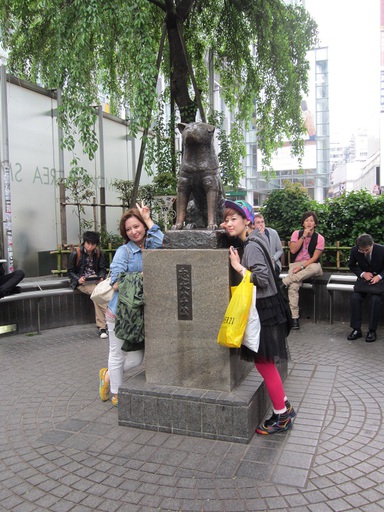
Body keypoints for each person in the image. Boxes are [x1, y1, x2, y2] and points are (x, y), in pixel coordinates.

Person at [223, 199, 295, 435]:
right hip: (271, 306)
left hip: (265, 309)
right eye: (226, 219)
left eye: (234, 219)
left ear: (247, 221)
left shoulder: (252, 246)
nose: (229, 223)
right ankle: (284, 404)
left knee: (264, 363)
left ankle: (281, 416)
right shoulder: (258, 238)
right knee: (266, 362)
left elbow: (262, 278)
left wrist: (238, 267)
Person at [99, 202, 164, 407]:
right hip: (120, 313)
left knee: (137, 359)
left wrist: (148, 218)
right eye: (128, 229)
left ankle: (108, 375)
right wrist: (142, 276)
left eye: (137, 226)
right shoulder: (124, 252)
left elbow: (164, 242)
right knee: (116, 354)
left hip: (141, 314)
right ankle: (116, 392)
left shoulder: (152, 246)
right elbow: (116, 283)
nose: (133, 232)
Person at [282, 211, 324, 330]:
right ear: (303, 223)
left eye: (311, 220)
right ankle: (295, 318)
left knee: (316, 267)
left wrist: (302, 267)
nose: (309, 223)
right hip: (296, 264)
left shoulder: (319, 238)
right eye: (306, 220)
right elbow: (293, 250)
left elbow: (315, 257)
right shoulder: (296, 234)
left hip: (309, 265)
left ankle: (286, 280)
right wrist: (303, 236)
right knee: (294, 286)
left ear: (315, 223)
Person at [67, 231, 108, 338]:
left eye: (93, 244)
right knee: (97, 293)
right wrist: (78, 279)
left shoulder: (98, 252)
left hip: (95, 280)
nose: (90, 246)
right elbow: (70, 271)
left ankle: (103, 327)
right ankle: (108, 321)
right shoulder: (76, 252)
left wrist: (101, 277)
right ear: (84, 242)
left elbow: (102, 269)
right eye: (88, 243)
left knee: (98, 294)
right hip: (82, 282)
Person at [347, 234, 384, 343]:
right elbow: (352, 266)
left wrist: (379, 276)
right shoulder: (355, 251)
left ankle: (372, 331)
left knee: (375, 300)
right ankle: (356, 329)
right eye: (362, 251)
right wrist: (363, 274)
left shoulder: (381, 250)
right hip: (364, 282)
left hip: (378, 282)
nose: (364, 252)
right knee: (355, 298)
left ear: (372, 244)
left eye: (367, 250)